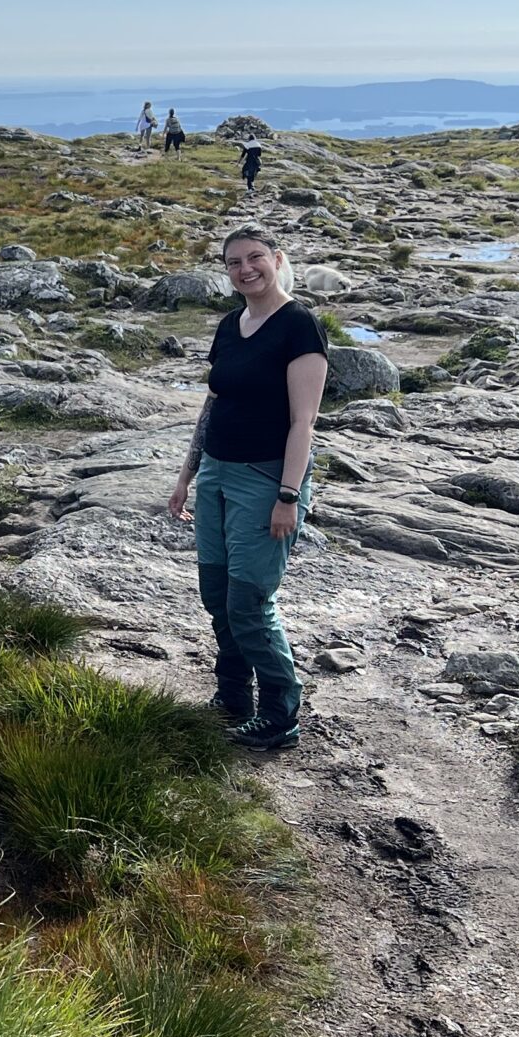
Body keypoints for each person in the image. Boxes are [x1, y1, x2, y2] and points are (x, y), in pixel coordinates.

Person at [163, 225, 325, 750]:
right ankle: (234, 697)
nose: (245, 269)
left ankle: (281, 714)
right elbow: (212, 405)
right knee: (217, 593)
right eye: (234, 262)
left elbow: (303, 423)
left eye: (255, 257)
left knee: (249, 602)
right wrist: (187, 475)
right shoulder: (231, 325)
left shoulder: (299, 326)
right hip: (216, 472)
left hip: (265, 479)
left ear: (277, 259)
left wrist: (288, 496)